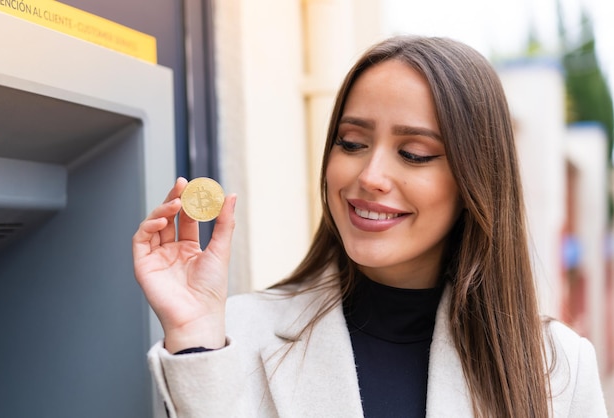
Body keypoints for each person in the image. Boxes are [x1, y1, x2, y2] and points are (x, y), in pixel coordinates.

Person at [133, 35, 609, 418]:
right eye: (352, 143)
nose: (370, 176)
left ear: (475, 182)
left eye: (414, 154)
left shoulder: (559, 368)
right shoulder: (230, 337)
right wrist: (194, 339)